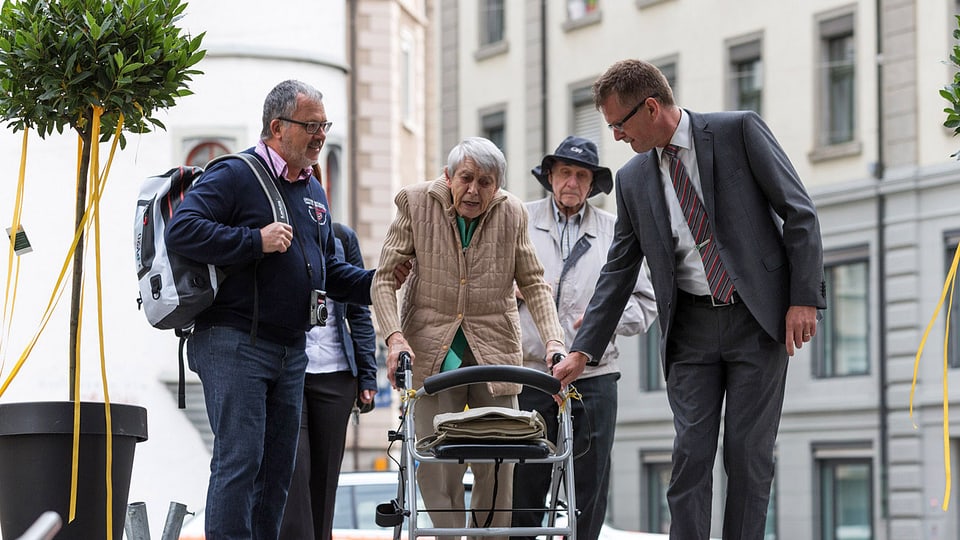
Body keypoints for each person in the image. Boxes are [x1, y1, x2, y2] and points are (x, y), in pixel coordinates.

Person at [561, 59, 826, 540]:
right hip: (690, 331)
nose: (617, 137)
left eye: (619, 124)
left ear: (651, 107)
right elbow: (619, 268)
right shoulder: (633, 179)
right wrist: (583, 349)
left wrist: (804, 298)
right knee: (690, 456)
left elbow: (799, 211)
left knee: (747, 457)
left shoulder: (738, 131)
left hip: (756, 320)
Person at [165, 79, 374, 540]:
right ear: (277, 127)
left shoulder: (313, 192)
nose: (321, 135)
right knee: (240, 462)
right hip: (234, 342)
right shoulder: (236, 173)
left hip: (289, 349)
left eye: (325, 125)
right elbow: (182, 231)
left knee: (278, 473)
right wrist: (253, 241)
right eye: (312, 125)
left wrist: (381, 285)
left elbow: (329, 274)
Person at [371, 136, 571, 538]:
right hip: (430, 353)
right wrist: (394, 338)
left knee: (500, 463)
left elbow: (533, 283)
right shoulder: (414, 202)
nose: (474, 190)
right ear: (448, 176)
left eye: (486, 182)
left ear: (497, 186)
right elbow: (382, 281)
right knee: (434, 463)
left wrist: (554, 341)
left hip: (494, 352)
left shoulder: (512, 212)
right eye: (466, 178)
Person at [510, 135, 657, 540]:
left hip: (594, 376)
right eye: (564, 173)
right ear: (550, 177)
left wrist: (597, 326)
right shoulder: (518, 219)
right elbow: (486, 288)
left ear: (592, 184)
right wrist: (514, 293)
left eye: (581, 175)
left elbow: (646, 303)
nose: (572, 182)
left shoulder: (615, 230)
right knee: (525, 484)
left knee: (589, 486)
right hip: (529, 374)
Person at [279, 221, 378, 540]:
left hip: (336, 377)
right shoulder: (278, 232)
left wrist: (367, 373)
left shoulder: (342, 237)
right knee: (294, 477)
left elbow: (358, 312)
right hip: (291, 370)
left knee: (324, 485)